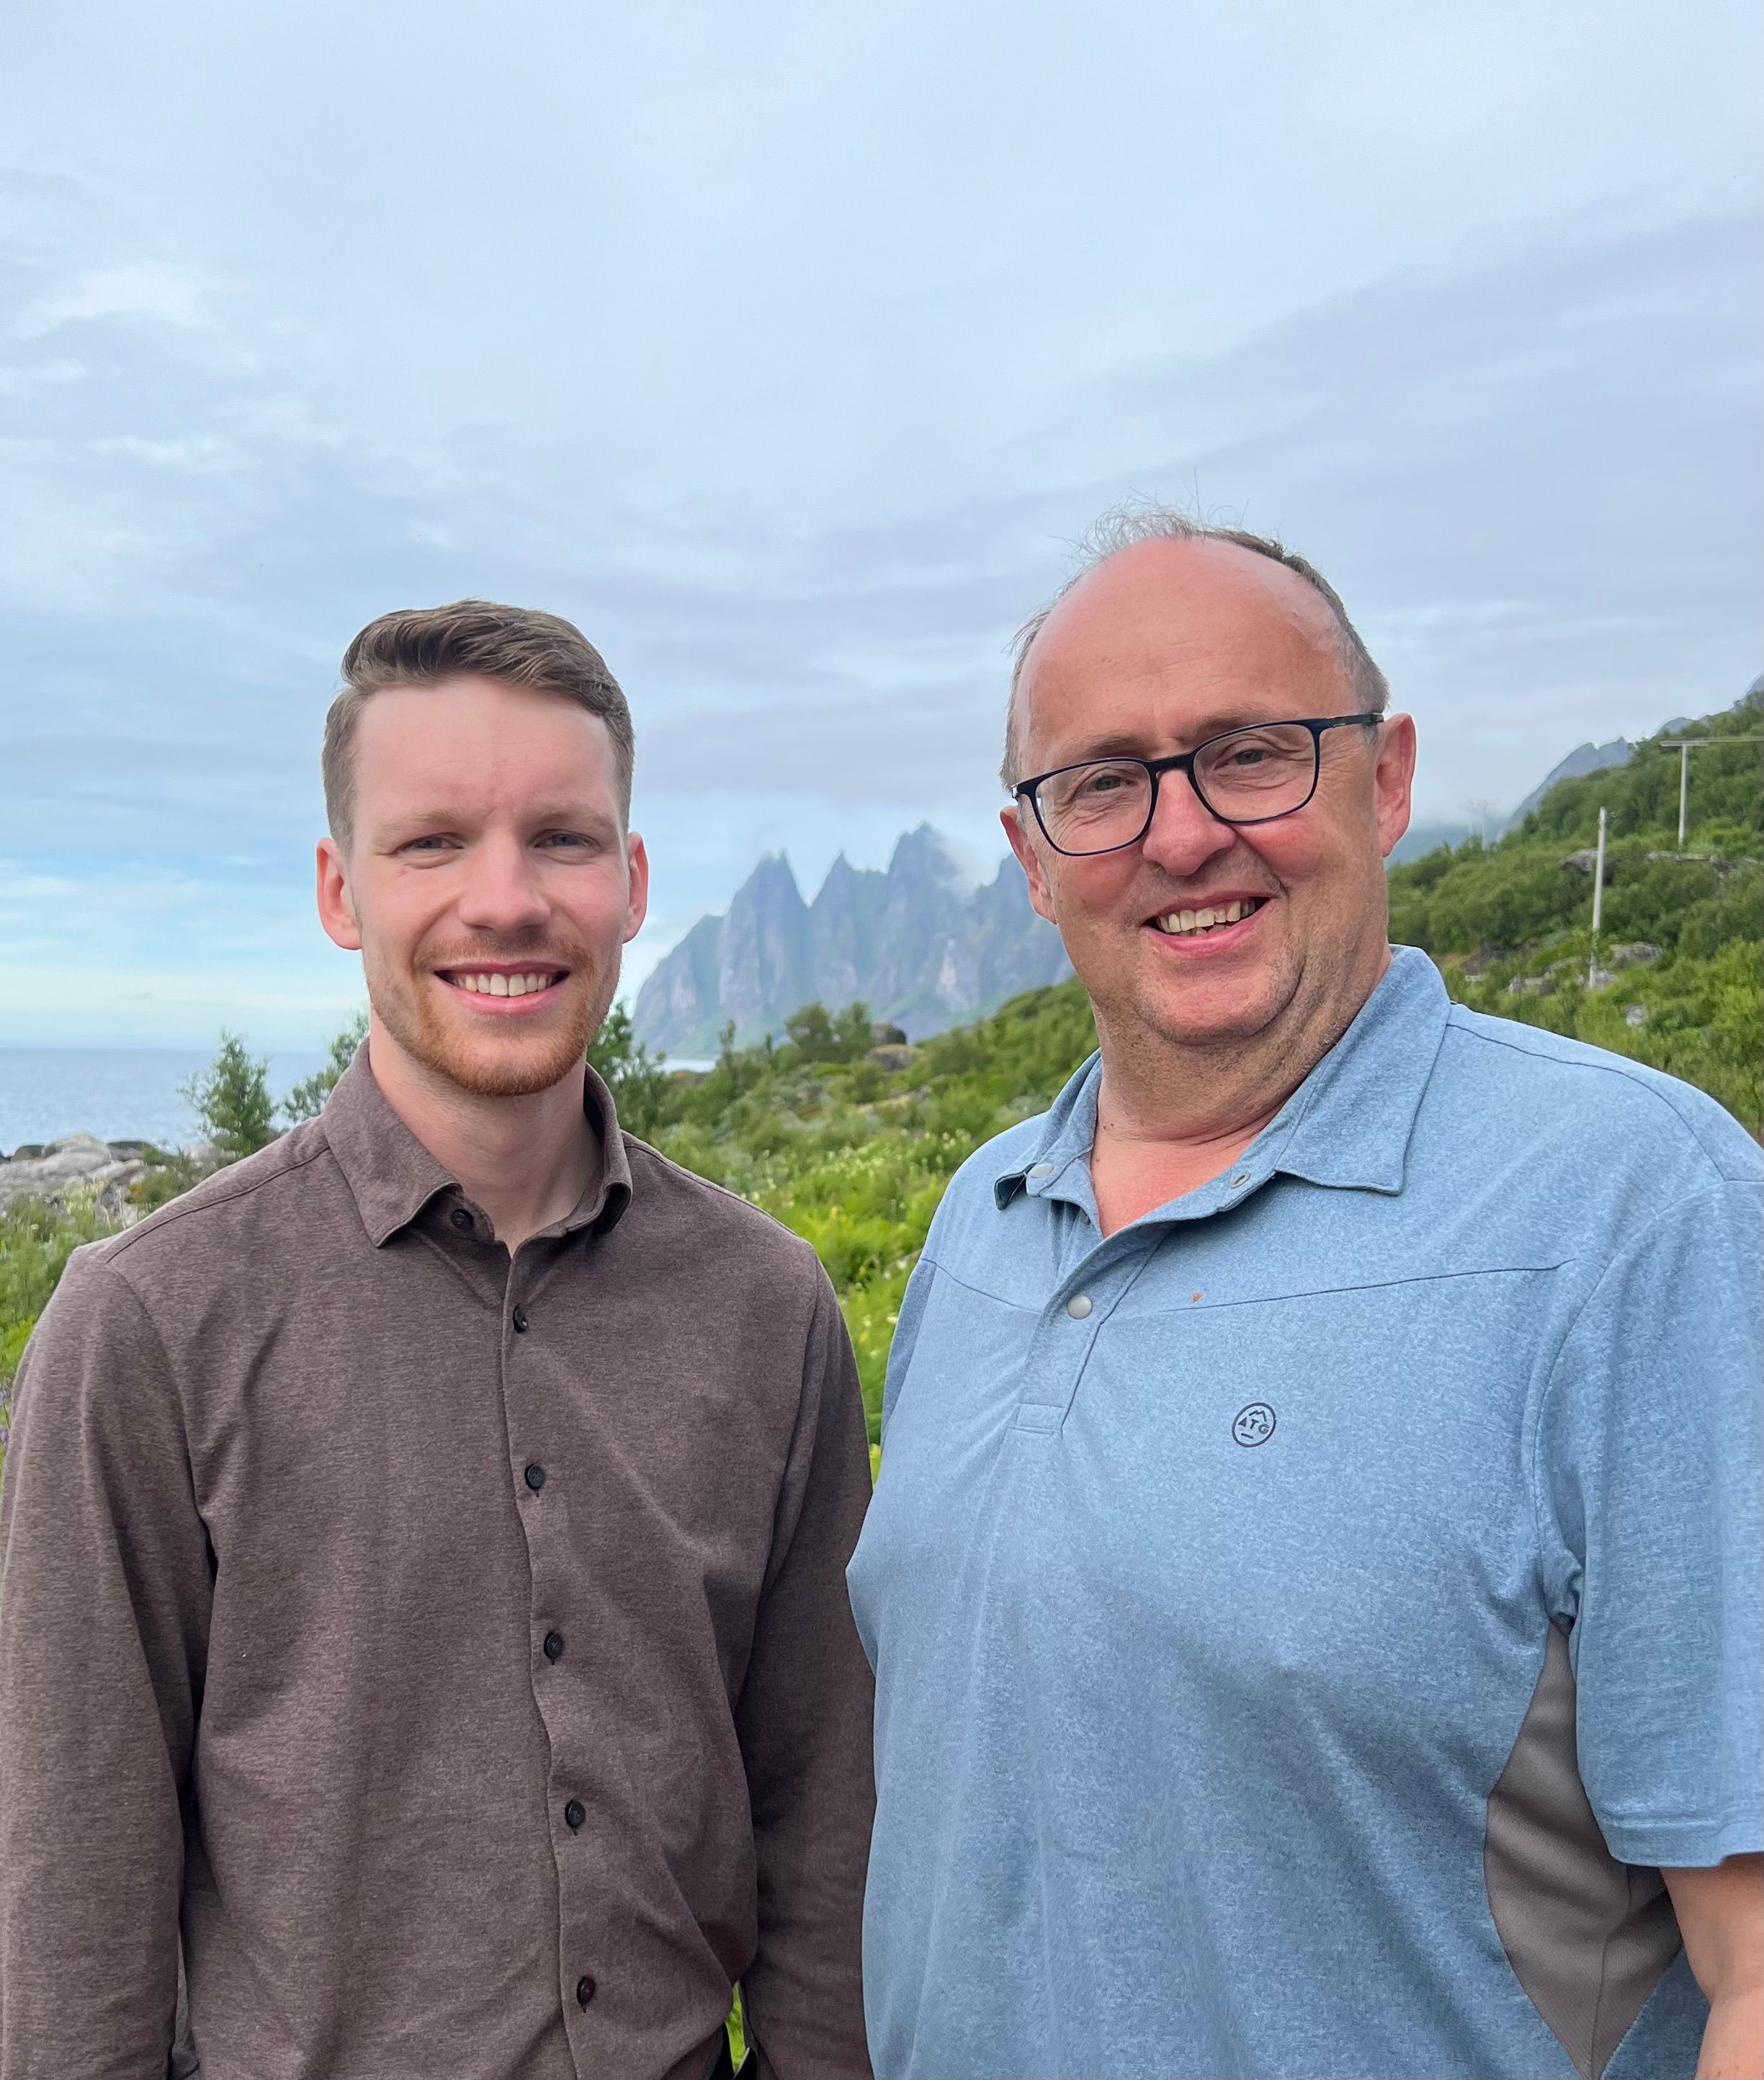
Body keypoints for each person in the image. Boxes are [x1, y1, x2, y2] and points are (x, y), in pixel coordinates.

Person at [847, 510, 1762, 2080]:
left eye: (1251, 753)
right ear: (1031, 858)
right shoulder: (979, 1221)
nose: (1181, 835)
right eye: (1101, 783)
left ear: (1385, 779)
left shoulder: (1635, 1210)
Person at [0, 602, 875, 2080]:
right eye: (432, 843)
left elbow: (825, 1824)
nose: (505, 900)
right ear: (340, 890)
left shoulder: (768, 1308)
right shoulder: (145, 1323)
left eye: (560, 838)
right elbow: (74, 1917)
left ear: (631, 881)